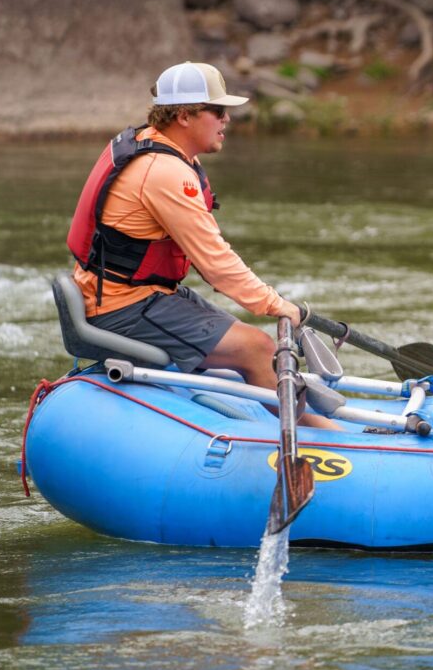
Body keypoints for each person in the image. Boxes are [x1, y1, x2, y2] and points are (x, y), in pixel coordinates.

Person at [66, 61, 336, 429]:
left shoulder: (153, 147)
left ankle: (315, 421)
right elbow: (217, 265)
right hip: (123, 306)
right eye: (218, 111)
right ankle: (329, 440)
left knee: (256, 348)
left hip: (134, 294)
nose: (227, 120)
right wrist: (279, 306)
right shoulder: (164, 172)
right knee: (257, 348)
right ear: (183, 116)